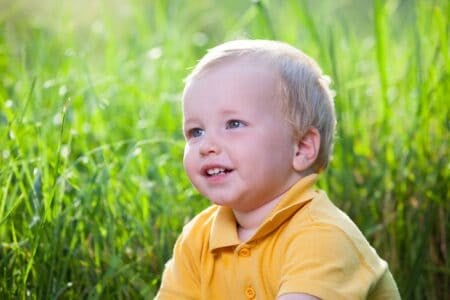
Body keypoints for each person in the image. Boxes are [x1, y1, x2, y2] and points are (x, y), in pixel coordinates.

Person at [156, 39, 400, 299]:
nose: (207, 145)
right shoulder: (198, 238)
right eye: (196, 131)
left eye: (234, 124)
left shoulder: (322, 235)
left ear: (301, 148)